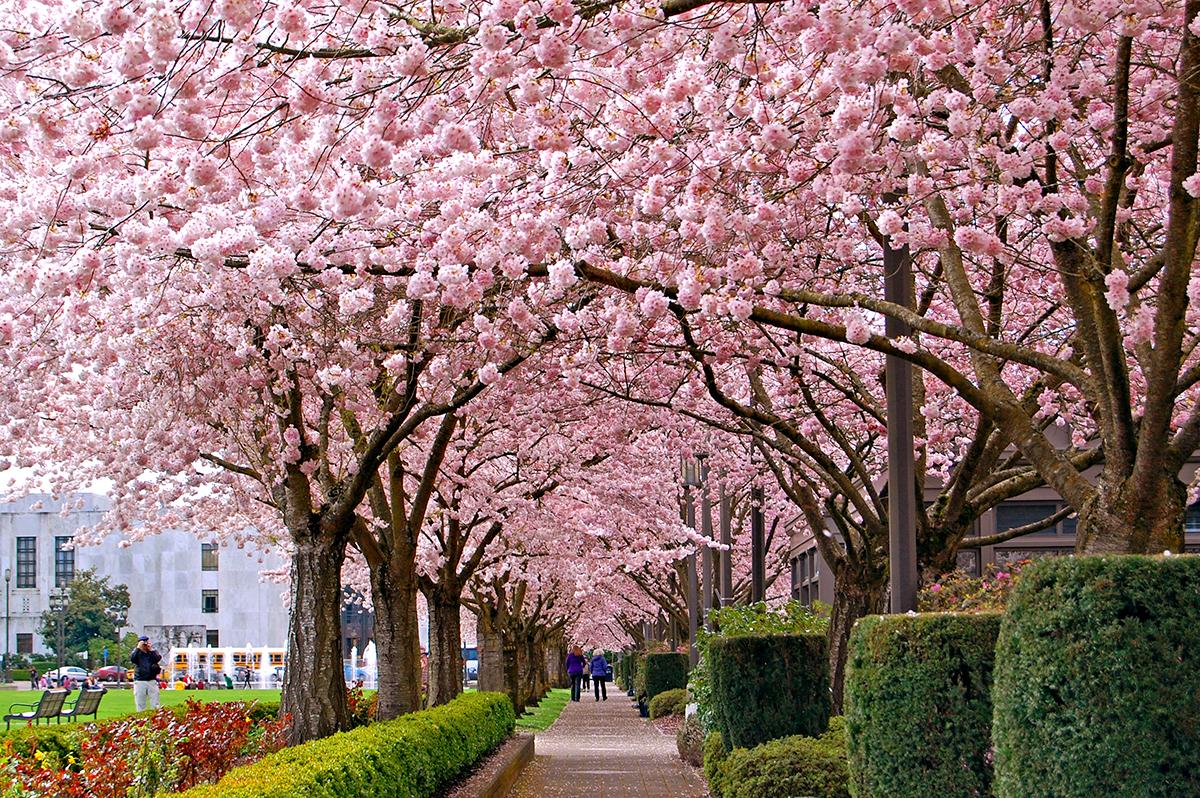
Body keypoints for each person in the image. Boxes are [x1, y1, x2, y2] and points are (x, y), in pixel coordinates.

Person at [130, 635, 162, 711]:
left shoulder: (151, 653)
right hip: (140, 680)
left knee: (155, 703)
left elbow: (158, 658)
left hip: (151, 680)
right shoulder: (137, 653)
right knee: (140, 703)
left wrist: (150, 649)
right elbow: (133, 659)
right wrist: (138, 648)